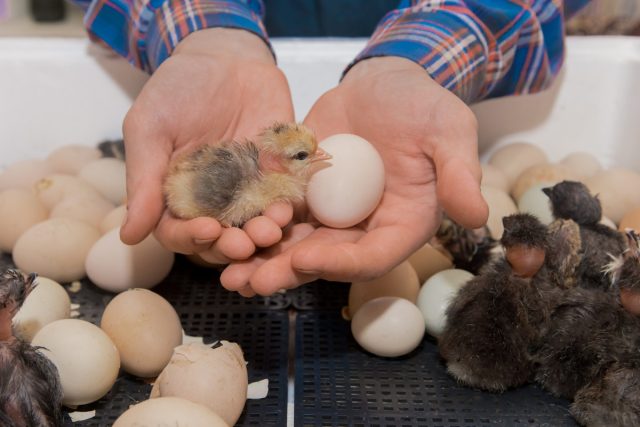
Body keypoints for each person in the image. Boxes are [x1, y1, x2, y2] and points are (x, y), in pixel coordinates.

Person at [69, 0, 591, 297]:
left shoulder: (275, 176)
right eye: (304, 158)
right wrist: (209, 33)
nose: (321, 160)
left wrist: (417, 54)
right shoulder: (267, 181)